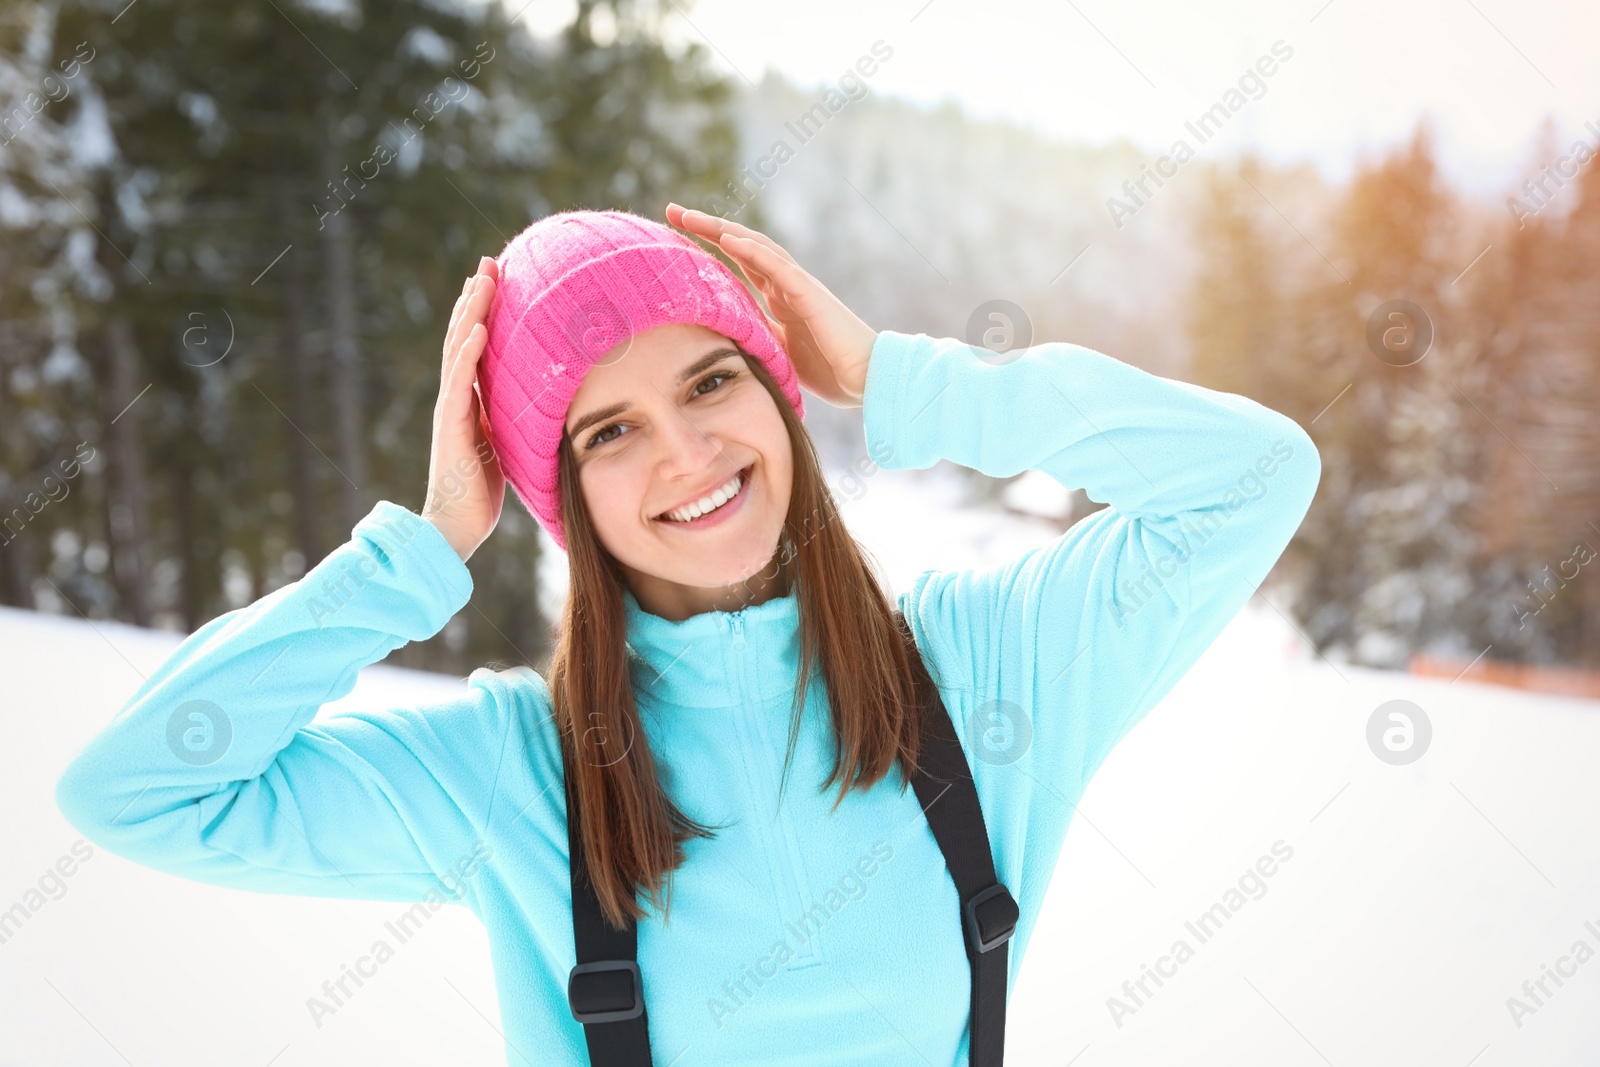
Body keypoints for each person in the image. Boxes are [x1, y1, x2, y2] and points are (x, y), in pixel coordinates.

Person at [55, 205, 1322, 1065]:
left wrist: (896, 374)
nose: (687, 453)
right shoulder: (514, 769)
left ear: (777, 390)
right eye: (607, 431)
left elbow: (1254, 474)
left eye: (712, 379)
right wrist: (423, 550)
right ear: (561, 492)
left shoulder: (988, 672)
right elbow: (140, 790)